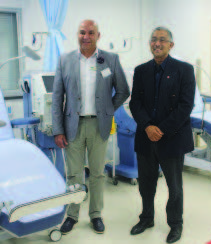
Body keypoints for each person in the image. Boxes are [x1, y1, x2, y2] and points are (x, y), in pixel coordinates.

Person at [52, 19, 130, 234]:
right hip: (72, 126)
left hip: (98, 125)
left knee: (97, 173)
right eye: (82, 32)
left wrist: (108, 110)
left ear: (98, 35)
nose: (85, 36)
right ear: (77, 34)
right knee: (74, 174)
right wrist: (58, 129)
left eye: (90, 33)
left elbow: (123, 90)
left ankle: (96, 214)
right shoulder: (65, 60)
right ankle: (72, 215)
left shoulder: (110, 60)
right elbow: (58, 97)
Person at [129, 27, 195, 243]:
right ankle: (146, 218)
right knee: (145, 184)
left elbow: (185, 106)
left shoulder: (184, 70)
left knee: (174, 187)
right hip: (146, 138)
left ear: (170, 45)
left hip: (172, 138)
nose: (157, 44)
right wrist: (148, 126)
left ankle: (175, 224)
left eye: (162, 40)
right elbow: (135, 103)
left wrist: (162, 129)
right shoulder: (141, 71)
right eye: (153, 40)